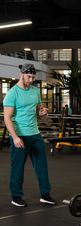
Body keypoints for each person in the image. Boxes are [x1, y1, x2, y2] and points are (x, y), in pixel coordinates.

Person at [3, 63, 56, 207]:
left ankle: (45, 195)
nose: (31, 80)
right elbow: (7, 117)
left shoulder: (35, 91)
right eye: (29, 76)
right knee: (18, 168)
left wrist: (43, 112)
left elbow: (38, 110)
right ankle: (16, 196)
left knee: (41, 166)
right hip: (20, 135)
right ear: (22, 74)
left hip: (35, 134)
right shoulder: (13, 93)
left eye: (33, 77)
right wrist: (14, 137)